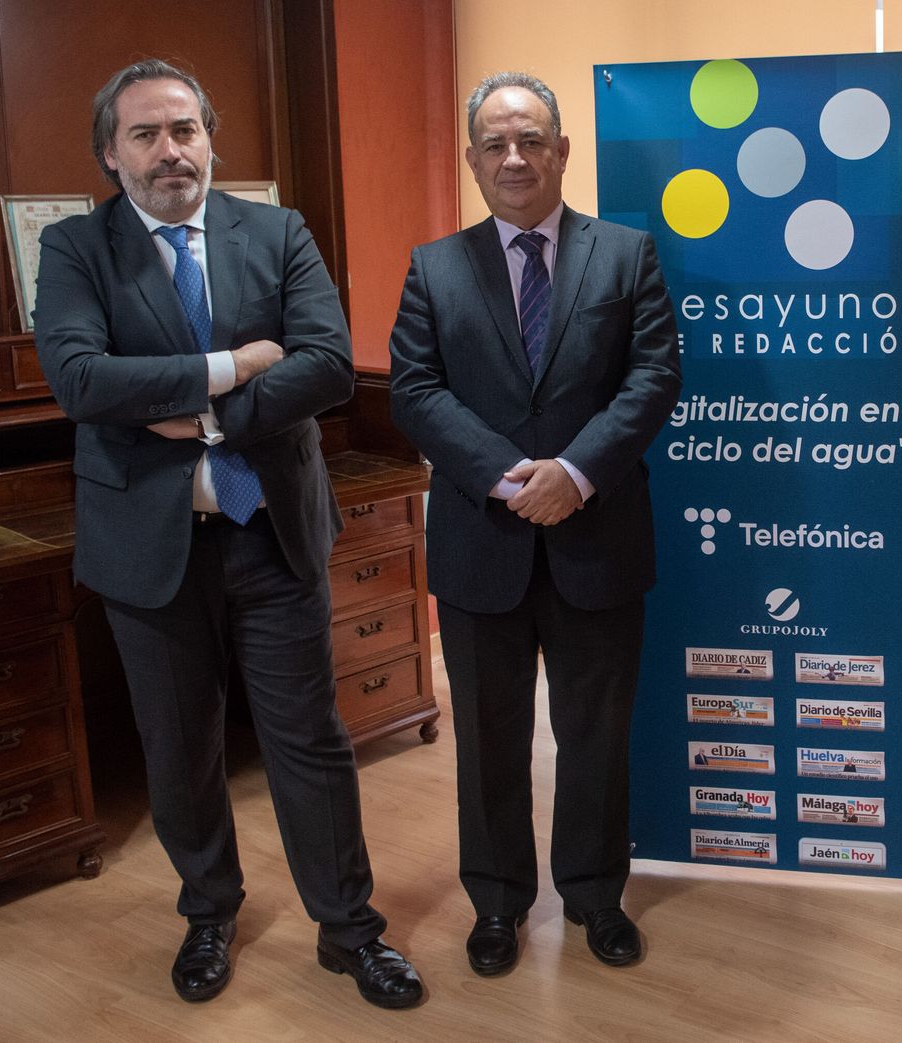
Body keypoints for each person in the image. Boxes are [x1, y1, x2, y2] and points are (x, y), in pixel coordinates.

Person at [33, 59, 423, 1009]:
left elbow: (328, 364)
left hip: (271, 532)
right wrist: (232, 364)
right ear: (110, 154)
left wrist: (200, 414)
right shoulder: (76, 248)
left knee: (310, 741)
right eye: (145, 134)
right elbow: (80, 380)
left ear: (210, 138)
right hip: (150, 547)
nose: (170, 150)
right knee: (179, 748)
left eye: (186, 129)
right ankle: (209, 912)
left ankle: (350, 929)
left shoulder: (276, 231)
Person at [389, 70, 681, 976]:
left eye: (530, 140)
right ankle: (498, 901)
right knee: (487, 738)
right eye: (495, 143)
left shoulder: (625, 254)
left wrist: (576, 473)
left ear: (562, 150)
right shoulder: (434, 266)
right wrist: (506, 476)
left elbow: (653, 378)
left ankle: (595, 895)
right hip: (483, 542)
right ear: (473, 160)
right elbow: (415, 389)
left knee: (597, 734)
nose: (513, 157)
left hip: (598, 537)